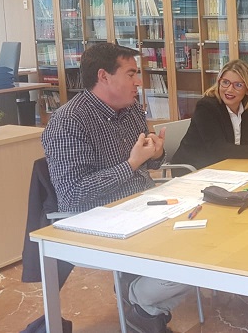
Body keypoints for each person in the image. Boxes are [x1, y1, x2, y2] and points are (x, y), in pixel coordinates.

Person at [41, 43, 190, 333]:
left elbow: (148, 163)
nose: (139, 82)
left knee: (210, 238)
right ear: (104, 76)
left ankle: (142, 305)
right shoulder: (68, 122)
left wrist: (156, 153)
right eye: (131, 73)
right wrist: (131, 164)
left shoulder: (131, 109)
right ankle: (141, 301)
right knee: (191, 258)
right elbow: (73, 194)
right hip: (98, 217)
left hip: (143, 204)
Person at [171, 59, 248, 170]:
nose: (229, 90)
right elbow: (219, 149)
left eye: (238, 85)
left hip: (232, 166)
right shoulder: (206, 107)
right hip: (195, 169)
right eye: (225, 82)